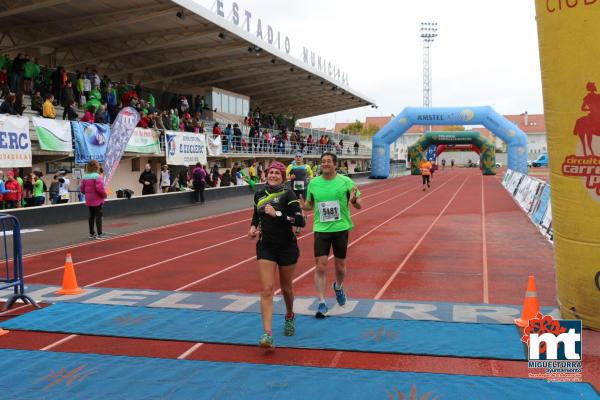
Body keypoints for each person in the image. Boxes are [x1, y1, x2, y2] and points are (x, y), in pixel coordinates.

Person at [248, 161, 305, 348]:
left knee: (287, 289)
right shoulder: (259, 195)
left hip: (287, 247)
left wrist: (278, 214)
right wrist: (253, 228)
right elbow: (256, 216)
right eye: (270, 172)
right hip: (266, 247)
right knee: (266, 289)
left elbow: (300, 221)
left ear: (283, 177)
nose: (272, 175)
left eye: (277, 173)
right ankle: (267, 334)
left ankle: (289, 315)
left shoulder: (288, 194)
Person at [299, 152, 362, 318]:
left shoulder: (346, 181)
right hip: (321, 229)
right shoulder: (313, 183)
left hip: (341, 228)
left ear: (335, 165)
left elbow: (359, 206)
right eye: (323, 162)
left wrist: (354, 200)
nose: (325, 164)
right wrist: (301, 206)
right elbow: (310, 205)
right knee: (320, 265)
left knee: (340, 266)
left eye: (328, 161)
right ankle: (321, 302)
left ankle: (339, 286)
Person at [80, 160, 108, 239]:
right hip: (97, 199)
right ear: (96, 167)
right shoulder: (97, 176)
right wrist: (104, 195)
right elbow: (100, 189)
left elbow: (82, 189)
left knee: (91, 215)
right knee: (98, 216)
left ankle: (91, 233)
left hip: (89, 199)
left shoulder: (85, 176)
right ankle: (100, 234)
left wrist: (87, 194)